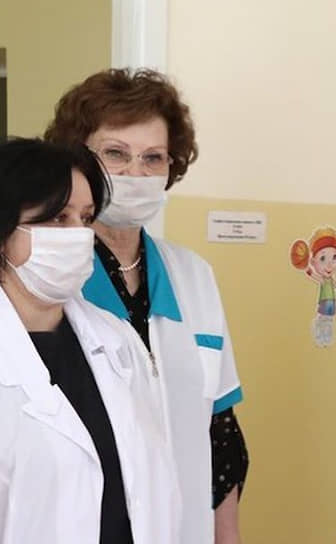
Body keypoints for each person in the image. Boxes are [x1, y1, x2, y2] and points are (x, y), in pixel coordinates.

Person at [44, 69, 248, 544]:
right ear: (80, 159)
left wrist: (227, 536)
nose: (135, 173)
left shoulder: (194, 276)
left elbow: (222, 435)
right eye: (116, 153)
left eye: (153, 158)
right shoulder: (50, 277)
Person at [0, 138, 181, 543]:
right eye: (57, 219)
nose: (79, 235)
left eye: (85, 219)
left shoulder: (117, 341)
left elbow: (154, 489)